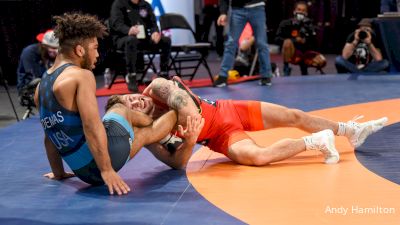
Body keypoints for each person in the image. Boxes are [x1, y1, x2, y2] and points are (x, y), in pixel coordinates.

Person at [108, 76, 388, 167]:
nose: (135, 102)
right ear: (131, 117)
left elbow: (185, 107)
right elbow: (175, 164)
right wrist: (191, 140)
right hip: (219, 138)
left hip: (228, 110)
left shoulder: (157, 87)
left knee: (293, 115)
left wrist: (185, 118)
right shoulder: (149, 135)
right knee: (258, 157)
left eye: (131, 97)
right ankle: (316, 141)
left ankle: (351, 131)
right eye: (130, 106)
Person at [33, 12, 170, 196]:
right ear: (80, 50)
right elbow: (91, 125)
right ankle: (168, 114)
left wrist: (59, 173)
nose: (97, 54)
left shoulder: (41, 87)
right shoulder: (81, 76)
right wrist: (107, 171)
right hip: (103, 163)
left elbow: (50, 134)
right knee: (122, 110)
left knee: (134, 130)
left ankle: (156, 122)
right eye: (95, 48)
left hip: (83, 173)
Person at [109, 0, 172, 93]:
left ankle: (164, 73)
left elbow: (153, 23)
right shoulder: (119, 3)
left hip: (143, 39)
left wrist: (155, 32)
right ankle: (131, 75)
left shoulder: (145, 5)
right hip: (123, 38)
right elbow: (116, 23)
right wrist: (128, 29)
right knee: (131, 40)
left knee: (166, 40)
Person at [213, 0, 274, 87]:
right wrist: (223, 12)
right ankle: (223, 76)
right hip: (238, 9)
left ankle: (266, 76)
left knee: (261, 43)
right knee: (230, 43)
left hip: (257, 7)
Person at [275, 1, 326, 76]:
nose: (301, 12)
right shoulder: (286, 23)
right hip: (293, 54)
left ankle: (304, 70)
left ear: (306, 13)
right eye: (299, 10)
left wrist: (308, 37)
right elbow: (277, 39)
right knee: (287, 42)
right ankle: (286, 68)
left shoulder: (309, 24)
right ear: (294, 11)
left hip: (306, 54)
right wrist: (295, 40)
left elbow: (316, 44)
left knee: (322, 61)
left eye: (303, 10)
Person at [17, 30, 59, 94]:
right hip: (30, 88)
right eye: (52, 48)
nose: (55, 51)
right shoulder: (29, 52)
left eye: (57, 48)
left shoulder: (57, 54)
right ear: (44, 46)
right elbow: (33, 77)